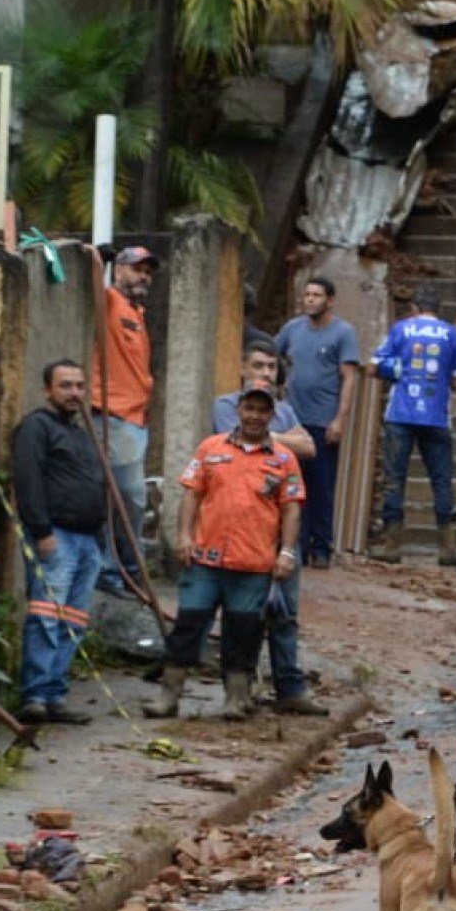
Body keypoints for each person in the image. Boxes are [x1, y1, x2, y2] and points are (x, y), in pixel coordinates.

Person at [145, 386, 304, 721]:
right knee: (188, 626)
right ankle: (168, 696)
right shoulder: (210, 448)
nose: (254, 416)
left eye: (262, 411)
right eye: (249, 408)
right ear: (239, 411)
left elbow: (290, 509)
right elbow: (191, 495)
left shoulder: (284, 459)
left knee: (243, 633)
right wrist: (184, 537)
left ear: (271, 417)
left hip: (254, 563)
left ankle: (235, 698)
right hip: (206, 559)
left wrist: (287, 552)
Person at [212, 341, 327, 716]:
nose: (264, 373)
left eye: (271, 368)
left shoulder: (285, 409)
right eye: (257, 365)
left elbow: (309, 447)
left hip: (280, 526)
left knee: (285, 611)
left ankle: (289, 687)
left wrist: (266, 435)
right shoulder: (225, 405)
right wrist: (279, 439)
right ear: (243, 368)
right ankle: (240, 690)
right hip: (240, 532)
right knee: (243, 615)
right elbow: (241, 442)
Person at [11, 359, 109, 726]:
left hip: (87, 542)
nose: (75, 393)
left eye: (80, 386)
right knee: (46, 619)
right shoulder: (37, 427)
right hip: (56, 537)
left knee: (74, 622)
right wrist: (42, 532)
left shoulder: (80, 433)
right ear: (47, 390)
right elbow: (28, 479)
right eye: (66, 385)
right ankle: (35, 696)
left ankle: (55, 696)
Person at [367, 286, 456, 567]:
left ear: (414, 307)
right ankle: (448, 550)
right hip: (437, 418)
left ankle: (391, 547)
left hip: (400, 415)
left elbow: (373, 368)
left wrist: (400, 370)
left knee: (394, 479)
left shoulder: (400, 330)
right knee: (441, 480)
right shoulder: (452, 334)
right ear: (438, 308)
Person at [275, 277, 361, 568]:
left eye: (316, 295)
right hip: (293, 421)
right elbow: (273, 357)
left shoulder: (343, 332)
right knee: (292, 484)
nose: (310, 299)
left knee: (321, 487)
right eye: (307, 294)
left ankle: (321, 547)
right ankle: (296, 545)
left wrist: (340, 418)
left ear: (330, 300)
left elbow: (349, 377)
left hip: (323, 421)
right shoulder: (292, 329)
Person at [94, 244, 157, 594]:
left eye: (148, 271)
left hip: (135, 418)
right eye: (137, 269)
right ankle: (119, 571)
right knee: (129, 497)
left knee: (124, 497)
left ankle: (124, 570)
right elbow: (90, 286)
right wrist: (94, 258)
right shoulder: (110, 301)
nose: (143, 276)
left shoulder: (137, 311)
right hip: (113, 415)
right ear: (118, 270)